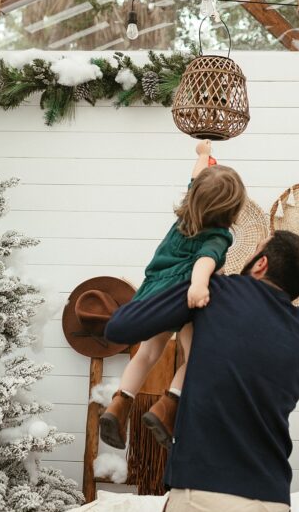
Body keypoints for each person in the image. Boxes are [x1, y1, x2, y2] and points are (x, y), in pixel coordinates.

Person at [105, 230, 299, 512]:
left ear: (261, 263)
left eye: (254, 250)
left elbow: (120, 328)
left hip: (208, 503)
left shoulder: (217, 294)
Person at [99, 140, 245, 450]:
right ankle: (166, 408)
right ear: (231, 210)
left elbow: (197, 177)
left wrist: (204, 155)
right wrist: (199, 284)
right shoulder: (219, 235)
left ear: (194, 196)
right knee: (196, 358)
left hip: (154, 292)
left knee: (148, 353)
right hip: (183, 299)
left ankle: (119, 405)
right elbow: (206, 260)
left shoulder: (185, 217)